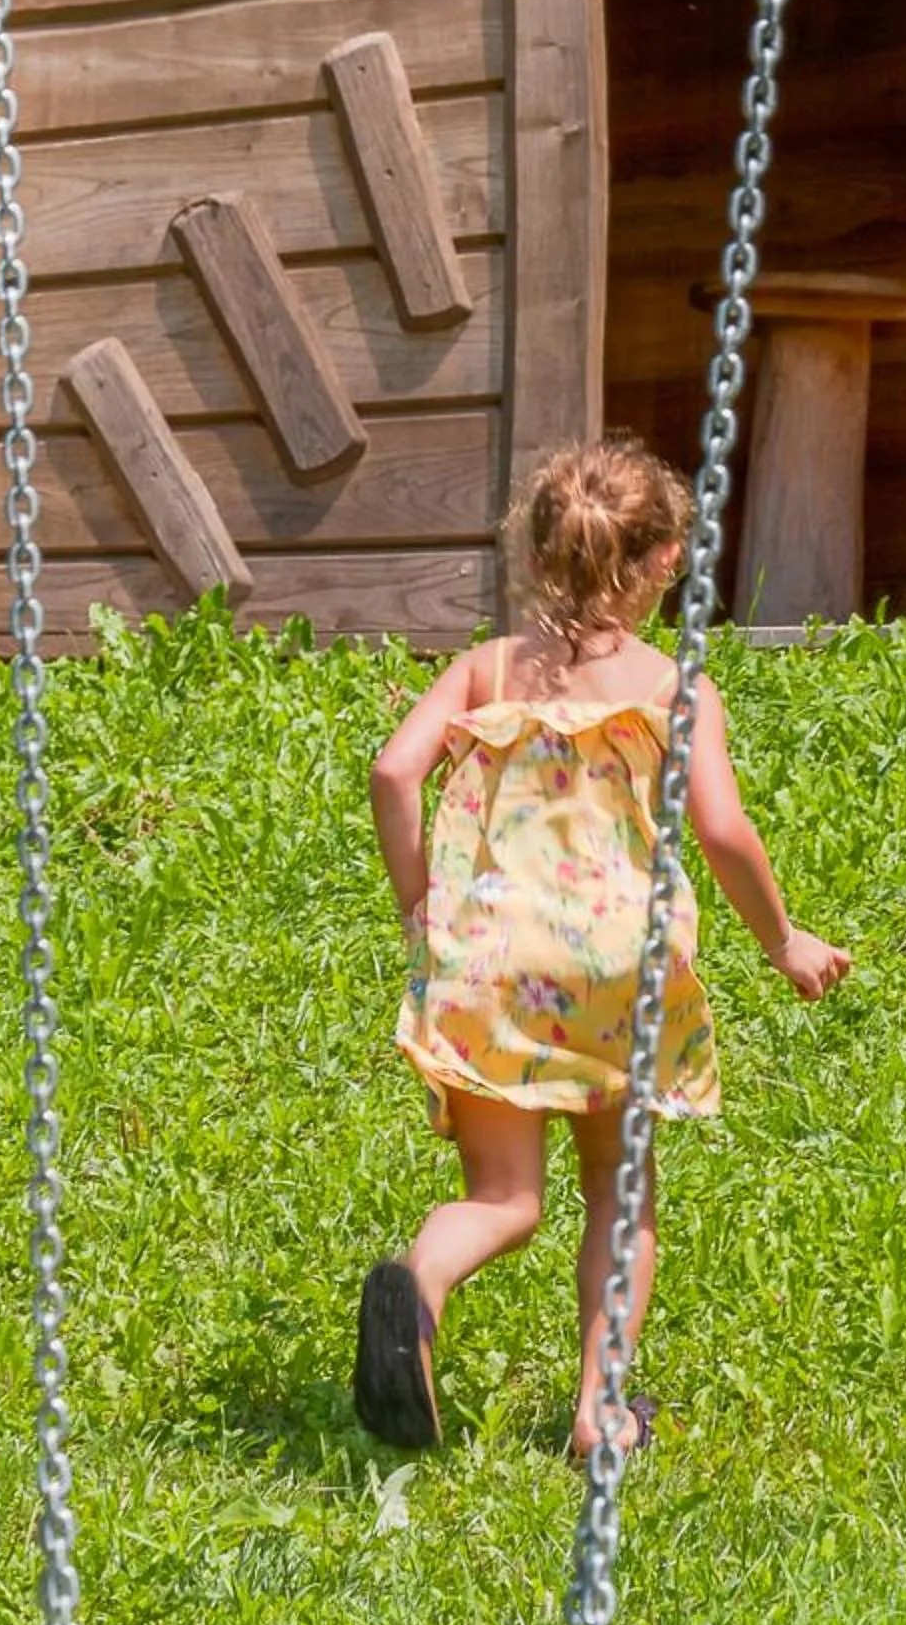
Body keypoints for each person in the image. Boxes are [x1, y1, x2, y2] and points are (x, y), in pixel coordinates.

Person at [354, 439, 851, 1459]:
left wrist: (420, 904)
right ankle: (597, 1412)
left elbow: (393, 771)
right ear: (666, 560)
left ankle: (421, 1287)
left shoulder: (484, 669)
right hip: (615, 970)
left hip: (488, 959)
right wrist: (784, 938)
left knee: (503, 1199)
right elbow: (721, 833)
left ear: (538, 552)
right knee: (620, 1198)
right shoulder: (673, 688)